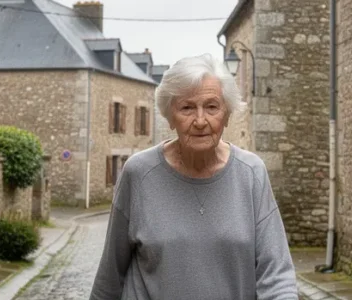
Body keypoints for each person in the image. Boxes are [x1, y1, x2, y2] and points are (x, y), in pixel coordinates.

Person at [89, 53, 298, 300]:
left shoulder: (251, 173)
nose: (200, 120)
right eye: (187, 108)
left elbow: (277, 275)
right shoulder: (139, 173)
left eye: (211, 107)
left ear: (227, 115)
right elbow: (110, 278)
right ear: (170, 117)